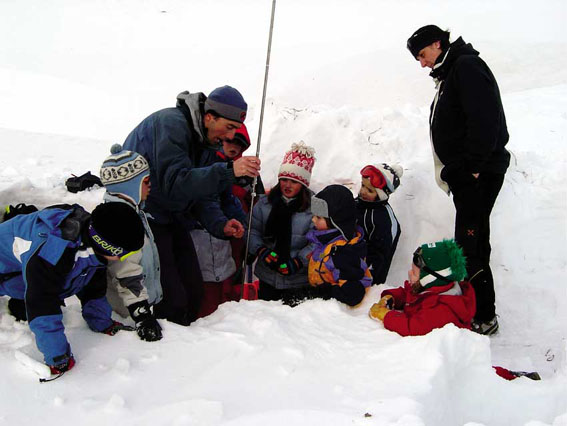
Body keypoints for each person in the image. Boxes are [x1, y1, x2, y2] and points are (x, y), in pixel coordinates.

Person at [122, 85, 260, 325]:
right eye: (229, 128)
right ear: (209, 117)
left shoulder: (205, 142)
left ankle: (190, 351)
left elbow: (202, 194)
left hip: (173, 215)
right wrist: (229, 170)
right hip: (145, 216)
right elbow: (174, 181)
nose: (230, 137)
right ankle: (164, 352)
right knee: (172, 299)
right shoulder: (171, 124)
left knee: (195, 291)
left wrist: (221, 225)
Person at [406, 25, 510, 335]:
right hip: (467, 174)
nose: (422, 63)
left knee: (470, 243)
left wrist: (473, 168)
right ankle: (478, 311)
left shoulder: (466, 66)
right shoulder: (452, 71)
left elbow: (486, 119)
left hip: (477, 174)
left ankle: (483, 316)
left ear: (437, 44)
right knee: (473, 241)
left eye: (423, 55)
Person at [0, 203, 144, 375]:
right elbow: (42, 302)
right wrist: (58, 357)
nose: (122, 259)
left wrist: (102, 323)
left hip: (25, 268)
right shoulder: (53, 251)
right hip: (6, 270)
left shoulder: (91, 239)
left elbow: (93, 286)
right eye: (125, 254)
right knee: (41, 294)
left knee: (60, 282)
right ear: (107, 246)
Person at [368, 239, 540, 381]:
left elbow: (412, 327)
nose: (409, 274)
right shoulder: (430, 289)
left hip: (456, 361)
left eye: (414, 272)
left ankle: (516, 378)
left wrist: (386, 316)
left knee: (481, 375)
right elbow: (409, 295)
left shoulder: (441, 309)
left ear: (431, 279)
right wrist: (392, 297)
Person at [100, 146, 163, 341]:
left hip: (138, 304)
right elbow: (126, 274)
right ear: (130, 186)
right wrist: (142, 316)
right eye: (145, 181)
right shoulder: (118, 222)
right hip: (125, 314)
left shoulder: (134, 213)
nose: (150, 185)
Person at [248, 142, 316, 305]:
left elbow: (317, 241)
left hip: (297, 280)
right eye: (284, 179)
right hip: (267, 276)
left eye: (294, 181)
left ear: (303, 184)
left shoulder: (314, 208)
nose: (287, 185)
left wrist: (299, 261)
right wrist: (261, 250)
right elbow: (252, 231)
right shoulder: (265, 204)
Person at [307, 184, 373, 306]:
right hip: (319, 304)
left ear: (336, 222)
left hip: (335, 314)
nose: (313, 220)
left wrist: (322, 293)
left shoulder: (343, 252)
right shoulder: (327, 241)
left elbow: (353, 294)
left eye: (319, 217)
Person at [356, 163, 403, 285]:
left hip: (366, 273)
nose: (363, 192)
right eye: (362, 186)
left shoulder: (383, 219)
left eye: (370, 190)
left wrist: (370, 277)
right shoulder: (357, 203)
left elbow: (381, 254)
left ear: (381, 194)